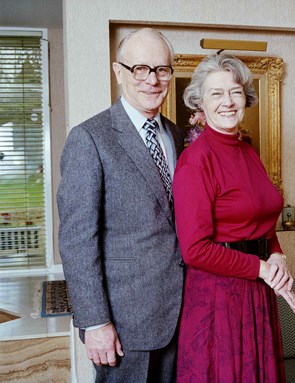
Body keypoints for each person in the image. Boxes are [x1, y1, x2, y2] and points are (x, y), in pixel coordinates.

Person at [57, 28, 185, 383]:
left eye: (162, 69)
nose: (152, 80)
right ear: (118, 72)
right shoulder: (89, 139)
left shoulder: (177, 135)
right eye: (140, 69)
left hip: (181, 315)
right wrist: (95, 320)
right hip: (124, 323)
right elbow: (76, 239)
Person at [172, 54, 295, 383]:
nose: (227, 102)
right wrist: (262, 268)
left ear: (246, 97)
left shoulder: (249, 153)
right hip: (218, 299)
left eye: (235, 92)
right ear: (200, 103)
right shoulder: (195, 161)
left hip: (257, 293)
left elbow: (262, 224)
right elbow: (195, 250)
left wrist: (276, 254)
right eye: (216, 93)